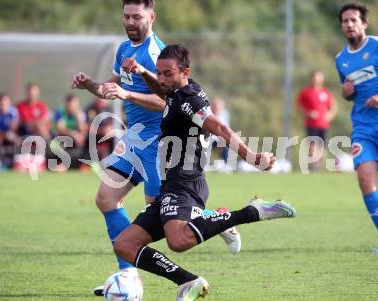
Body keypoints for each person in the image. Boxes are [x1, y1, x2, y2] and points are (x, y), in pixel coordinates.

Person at [70, 0, 241, 295]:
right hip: (134, 138)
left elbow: (168, 102)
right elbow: (111, 87)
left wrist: (125, 94)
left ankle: (215, 218)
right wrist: (90, 85)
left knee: (159, 211)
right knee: (106, 199)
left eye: (137, 16)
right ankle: (128, 277)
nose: (131, 22)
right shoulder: (124, 49)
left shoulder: (155, 55)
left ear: (152, 17)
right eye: (126, 16)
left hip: (158, 143)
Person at [114, 44, 296, 300]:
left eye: (168, 73)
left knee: (177, 241)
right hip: (171, 186)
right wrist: (144, 72)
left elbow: (220, 128)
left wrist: (253, 158)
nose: (162, 79)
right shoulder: (175, 94)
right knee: (125, 244)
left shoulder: (189, 99)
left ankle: (250, 212)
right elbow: (164, 93)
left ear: (184, 72)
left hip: (185, 182)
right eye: (160, 73)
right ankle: (188, 282)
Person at [335, 3, 378, 253]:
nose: (349, 24)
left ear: (364, 23)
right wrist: (345, 93)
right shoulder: (341, 60)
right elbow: (349, 92)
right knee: (365, 180)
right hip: (363, 128)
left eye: (354, 20)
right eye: (345, 21)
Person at [297, 70, 338, 171]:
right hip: (311, 124)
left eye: (319, 77)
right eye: (315, 77)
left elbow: (333, 107)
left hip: (323, 124)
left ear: (322, 79)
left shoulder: (325, 92)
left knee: (323, 145)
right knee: (313, 145)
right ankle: (315, 167)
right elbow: (299, 106)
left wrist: (330, 115)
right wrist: (308, 113)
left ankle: (335, 164)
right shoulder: (306, 92)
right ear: (311, 79)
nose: (316, 79)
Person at [0, 93, 20, 169]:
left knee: (16, 140)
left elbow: (14, 128)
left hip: (9, 134)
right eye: (2, 103)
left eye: (6, 103)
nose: (3, 105)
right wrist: (2, 135)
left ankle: (15, 163)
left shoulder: (13, 112)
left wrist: (6, 135)